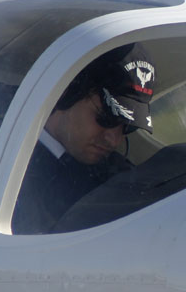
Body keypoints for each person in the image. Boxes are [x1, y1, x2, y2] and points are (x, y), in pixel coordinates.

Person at [11, 43, 155, 234]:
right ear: (67, 92)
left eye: (127, 127)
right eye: (107, 118)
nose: (114, 140)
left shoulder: (122, 179)